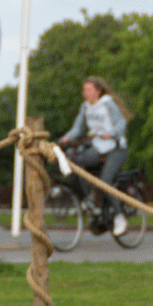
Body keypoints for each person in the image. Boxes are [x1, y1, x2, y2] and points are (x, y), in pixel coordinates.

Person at [58, 76, 131, 237]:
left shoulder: (107, 103)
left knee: (105, 181)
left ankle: (119, 218)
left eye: (89, 89)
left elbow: (121, 123)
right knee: (75, 160)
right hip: (98, 147)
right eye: (84, 90)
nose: (86, 93)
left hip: (116, 149)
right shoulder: (85, 107)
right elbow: (78, 128)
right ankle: (88, 202)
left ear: (97, 91)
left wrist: (110, 133)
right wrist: (67, 138)